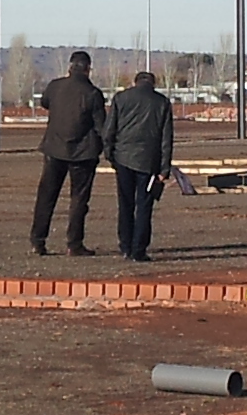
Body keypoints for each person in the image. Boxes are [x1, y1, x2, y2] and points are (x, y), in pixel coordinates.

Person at [30, 50, 108, 256]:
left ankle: (38, 240)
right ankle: (74, 243)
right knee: (78, 200)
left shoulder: (55, 87)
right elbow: (101, 126)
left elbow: (45, 102)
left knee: (46, 196)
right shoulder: (93, 94)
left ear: (70, 67)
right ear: (88, 69)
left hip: (54, 149)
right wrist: (107, 147)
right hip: (83, 153)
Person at [104, 67, 175, 263]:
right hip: (149, 162)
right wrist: (164, 169)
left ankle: (125, 245)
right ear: (153, 84)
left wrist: (110, 155)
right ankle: (139, 249)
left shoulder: (121, 98)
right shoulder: (162, 103)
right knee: (144, 206)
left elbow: (109, 129)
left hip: (123, 159)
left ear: (135, 82)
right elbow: (166, 138)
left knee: (125, 204)